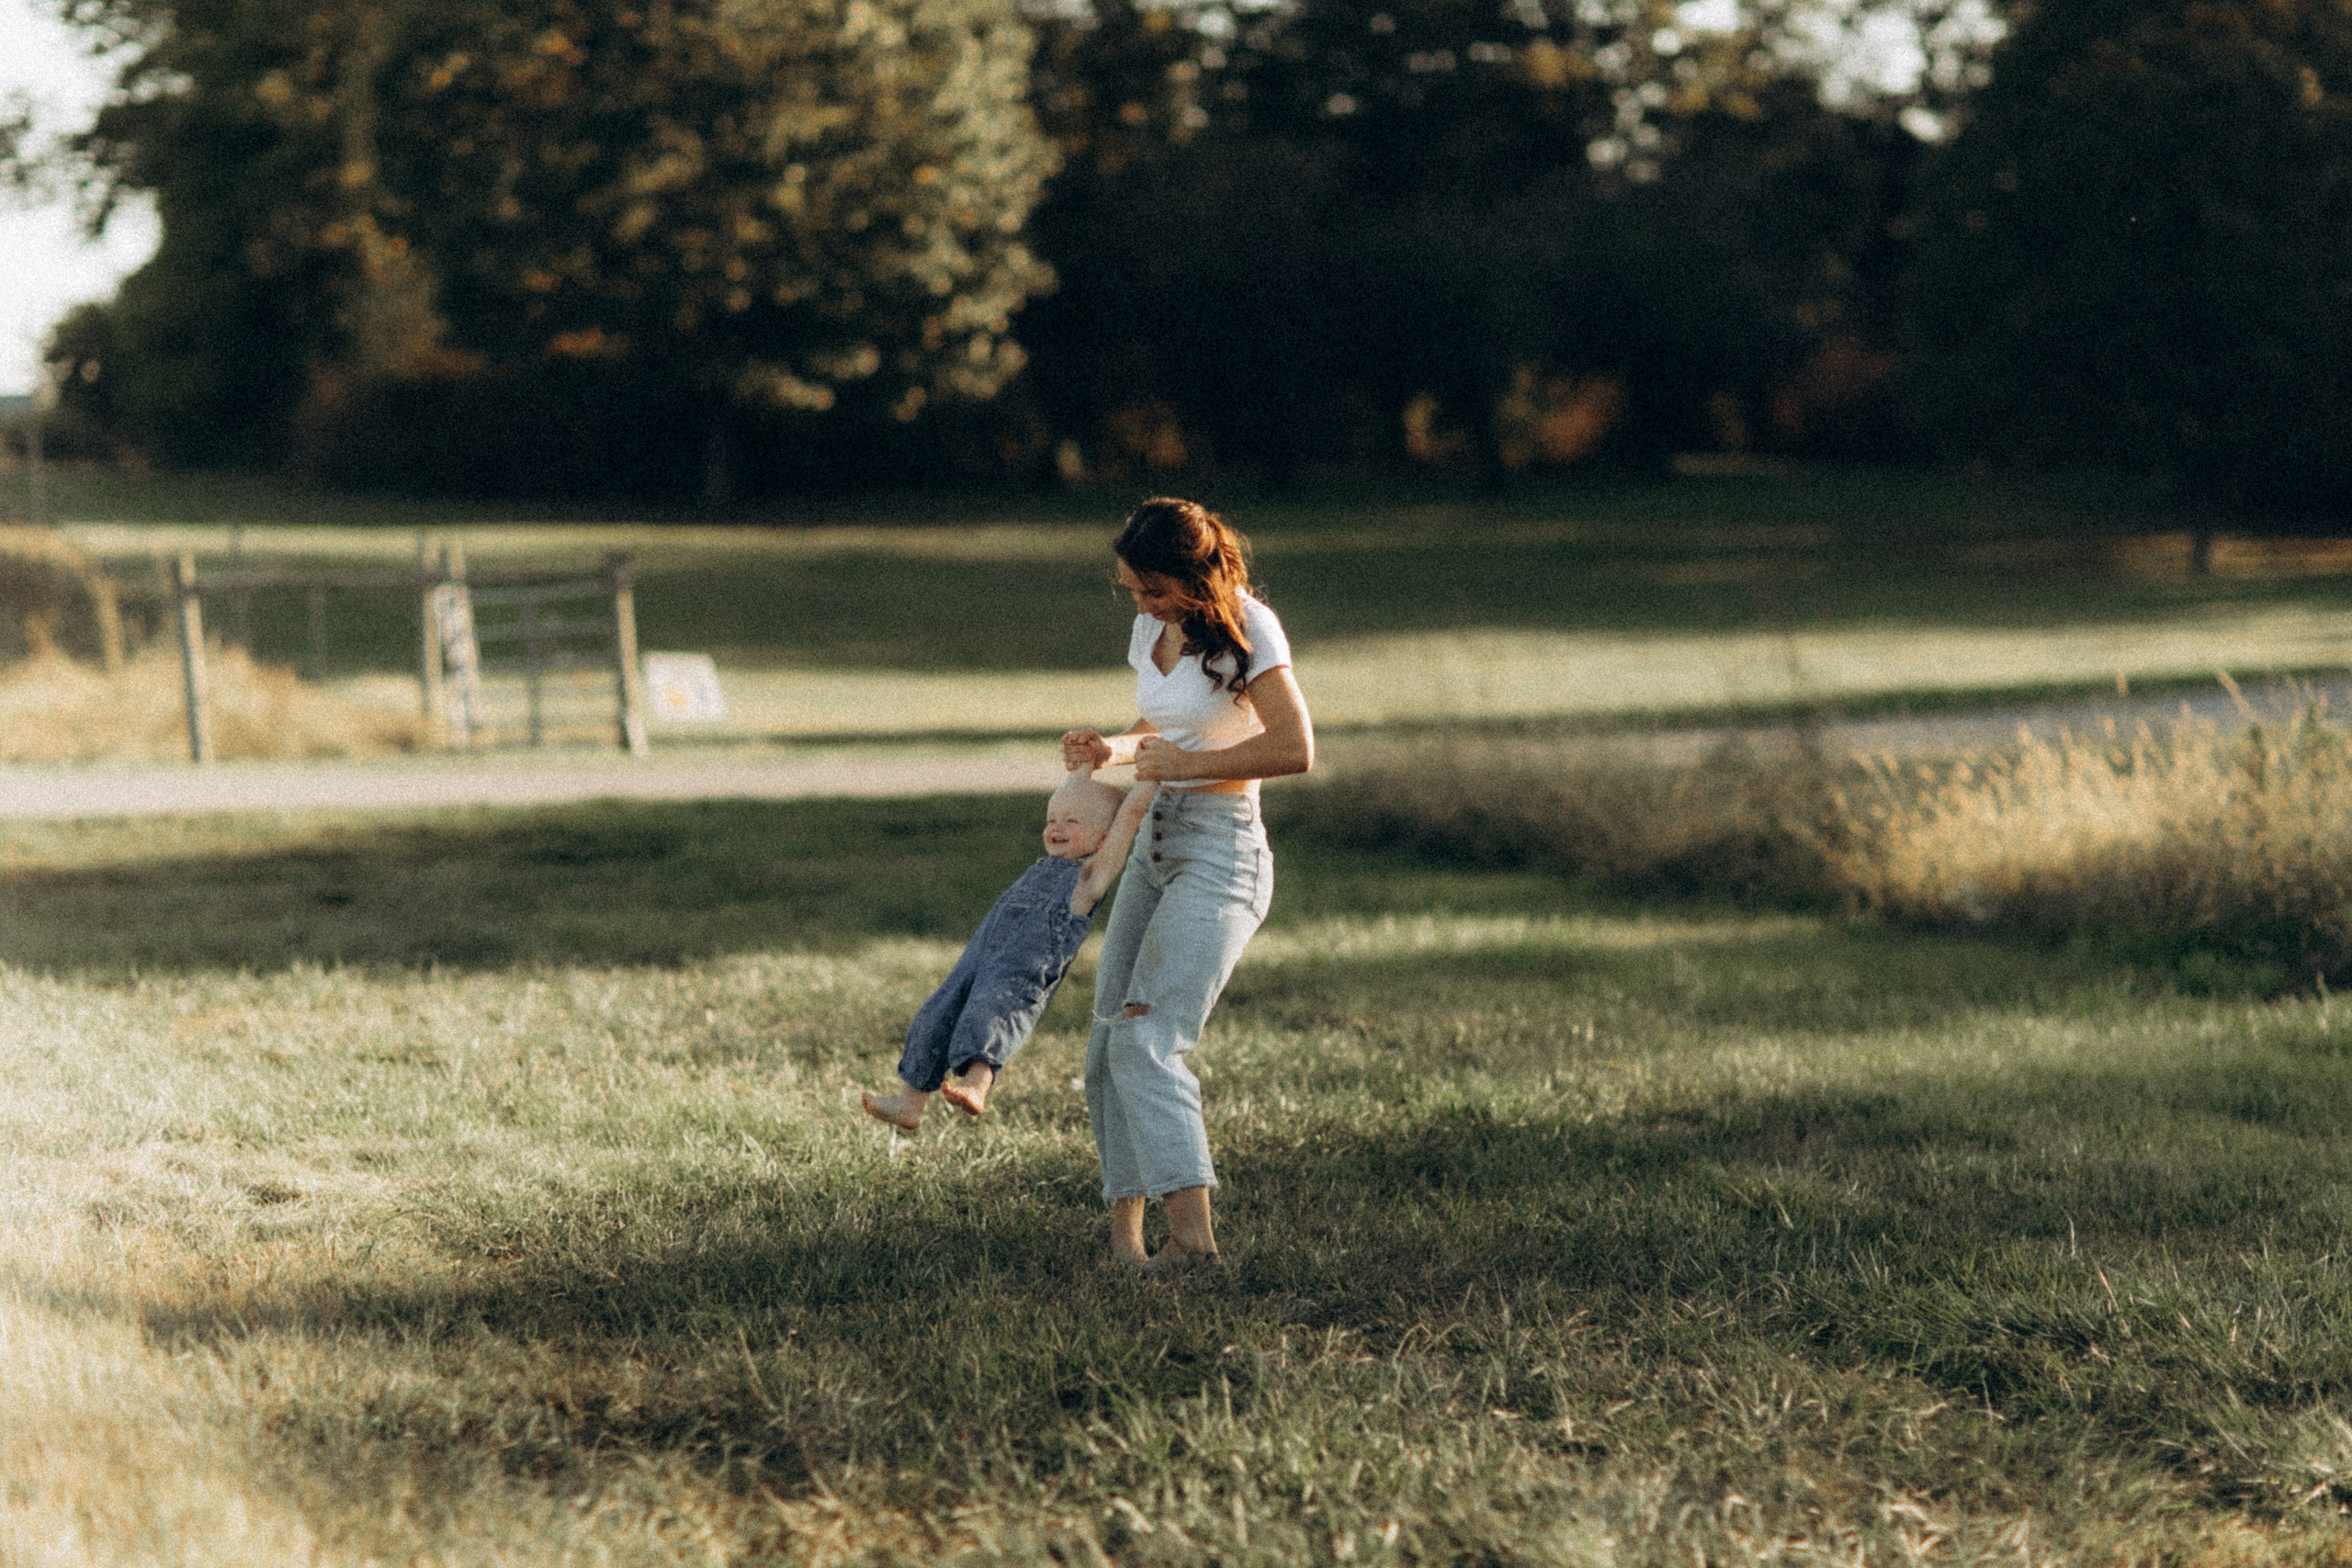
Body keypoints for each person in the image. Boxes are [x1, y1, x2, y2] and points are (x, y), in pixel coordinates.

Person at [1062, 497, 1314, 1271]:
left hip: (1220, 850)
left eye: (1155, 590)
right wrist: (1111, 747)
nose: (1142, 606)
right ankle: (1125, 1244)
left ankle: (1194, 1244)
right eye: (1134, 591)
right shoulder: (1152, 630)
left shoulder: (1251, 628)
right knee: (1107, 1040)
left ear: (1198, 575)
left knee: (1147, 1037)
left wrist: (1189, 766)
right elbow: (1165, 732)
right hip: (1153, 839)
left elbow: (1295, 747)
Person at [861, 773, 1151, 1129]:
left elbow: (1131, 813)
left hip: (1023, 970)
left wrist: (1150, 775)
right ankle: (909, 1103)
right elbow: (1072, 791)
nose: (1056, 828)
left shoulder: (1092, 877)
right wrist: (1084, 767)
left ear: (1105, 837)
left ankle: (976, 1086)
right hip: (982, 956)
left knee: (992, 1012)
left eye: (1072, 822)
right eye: (1051, 820)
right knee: (938, 1011)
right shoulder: (1045, 866)